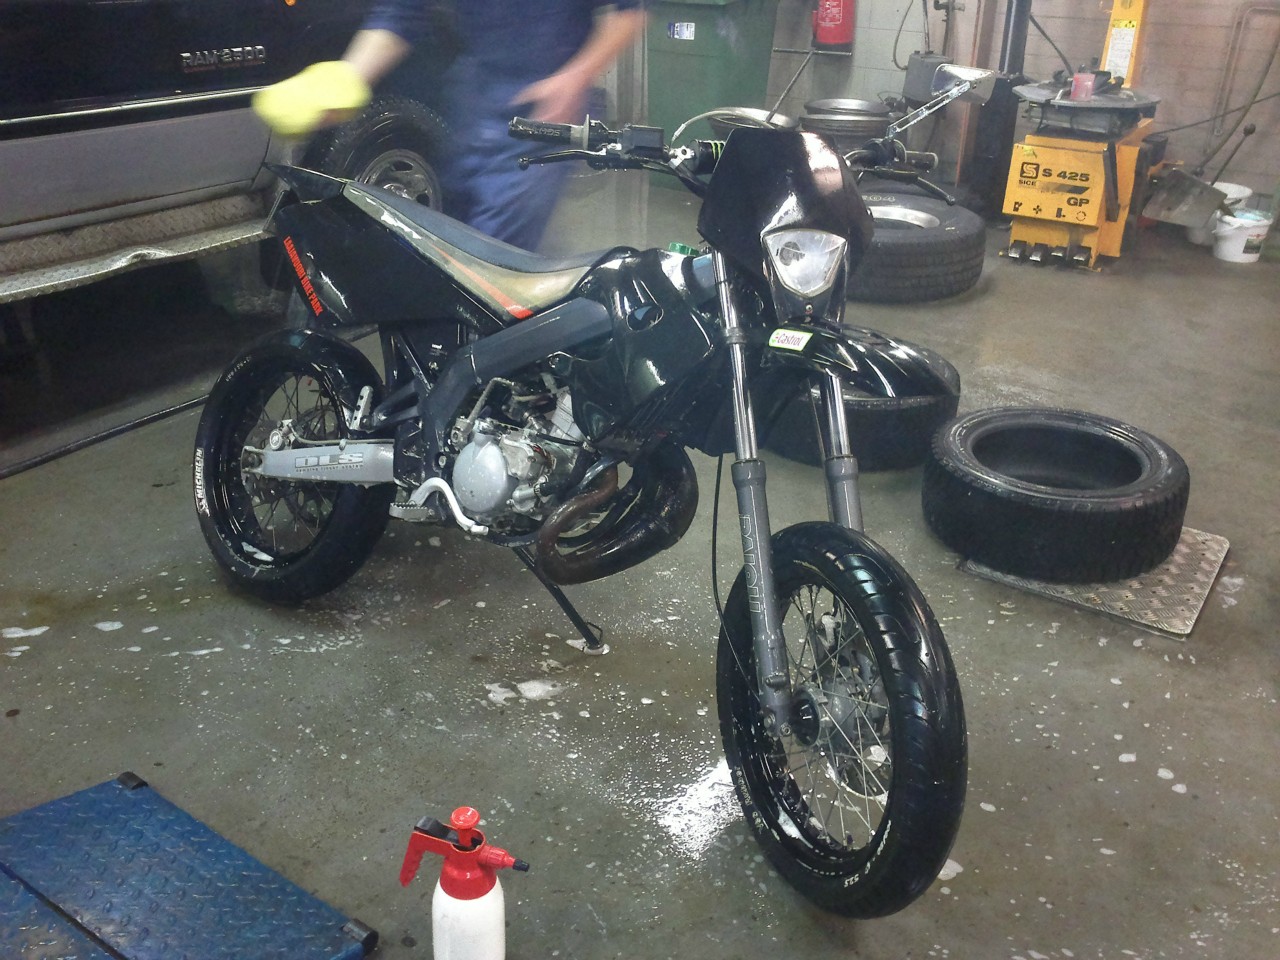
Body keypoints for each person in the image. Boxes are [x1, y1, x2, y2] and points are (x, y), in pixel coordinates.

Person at [258, 1, 646, 252]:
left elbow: (630, 11)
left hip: (543, 108)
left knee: (491, 258)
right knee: (446, 249)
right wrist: (347, 80)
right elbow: (402, 13)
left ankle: (500, 347)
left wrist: (576, 77)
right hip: (474, 96)